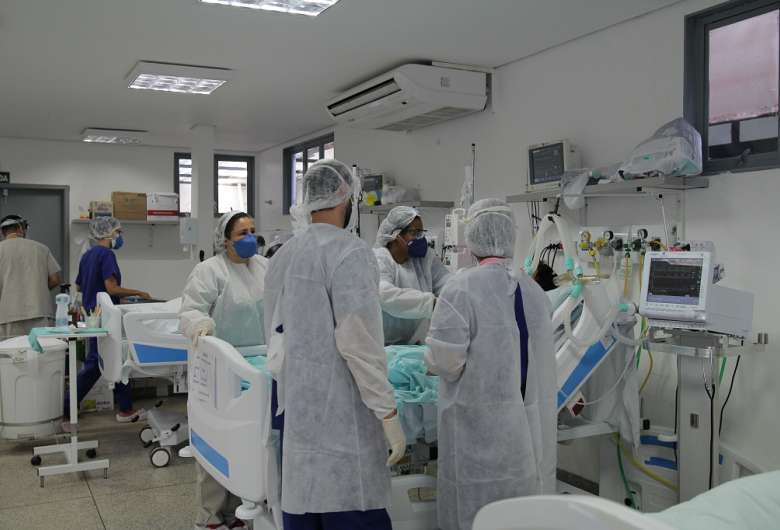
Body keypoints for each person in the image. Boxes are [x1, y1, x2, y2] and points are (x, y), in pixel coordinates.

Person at [264, 159, 406, 530]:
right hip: (344, 424)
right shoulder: (350, 252)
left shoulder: (284, 255)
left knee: (305, 507)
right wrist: (387, 413)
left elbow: (275, 340)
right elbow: (359, 344)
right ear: (346, 196)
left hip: (298, 416)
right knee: (349, 503)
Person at [424, 199, 557, 530]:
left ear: (472, 238)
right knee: (517, 517)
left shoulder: (460, 288)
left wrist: (427, 361)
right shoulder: (534, 292)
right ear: (510, 236)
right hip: (524, 438)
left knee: (474, 516)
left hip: (476, 434)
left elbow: (446, 362)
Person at [179, 211, 268, 530]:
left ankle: (241, 509)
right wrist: (200, 325)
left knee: (248, 442)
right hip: (219, 367)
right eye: (242, 232)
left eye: (253, 230)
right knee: (216, 440)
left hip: (258, 366)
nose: (250, 238)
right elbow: (190, 310)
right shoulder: (210, 271)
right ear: (225, 239)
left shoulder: (265, 267)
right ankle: (211, 516)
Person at [64, 217, 150, 425]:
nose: (120, 236)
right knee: (99, 362)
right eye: (118, 232)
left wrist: (118, 299)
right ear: (109, 234)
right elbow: (111, 288)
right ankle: (66, 406)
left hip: (93, 314)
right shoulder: (107, 254)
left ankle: (125, 408)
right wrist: (139, 293)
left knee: (114, 358)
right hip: (105, 318)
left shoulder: (88, 255)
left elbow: (80, 286)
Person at [373, 206, 451, 345]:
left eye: (421, 233)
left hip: (418, 343)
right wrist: (431, 303)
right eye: (414, 233)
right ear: (396, 235)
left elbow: (447, 283)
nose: (421, 239)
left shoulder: (425, 259)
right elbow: (384, 294)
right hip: (386, 345)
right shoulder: (380, 259)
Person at [0, 215, 62, 339]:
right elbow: (55, 279)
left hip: (8, 316)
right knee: (41, 350)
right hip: (40, 313)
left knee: (11, 350)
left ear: (2, 232)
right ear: (20, 228)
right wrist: (37, 289)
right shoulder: (41, 248)